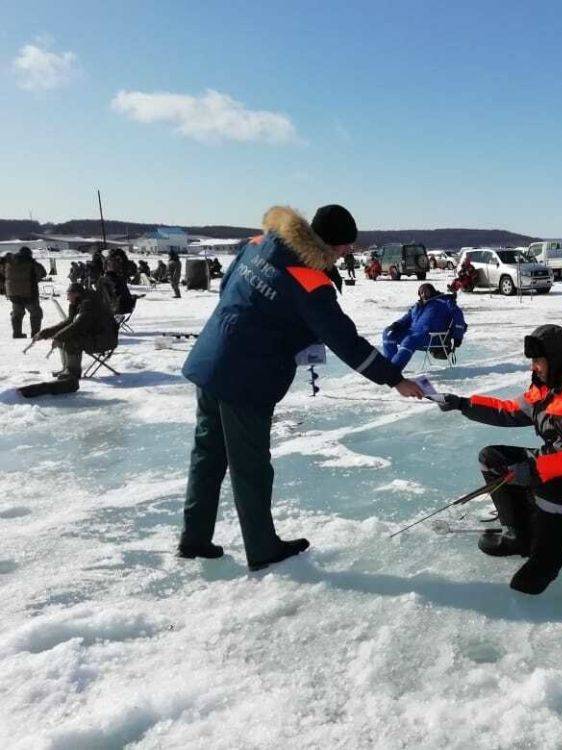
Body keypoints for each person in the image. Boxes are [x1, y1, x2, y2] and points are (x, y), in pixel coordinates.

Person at [179, 204, 424, 571]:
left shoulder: (261, 241)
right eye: (345, 247)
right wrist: (395, 379)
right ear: (329, 243)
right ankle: (262, 548)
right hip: (247, 379)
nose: (347, 254)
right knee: (251, 467)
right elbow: (344, 340)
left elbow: (229, 285)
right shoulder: (309, 280)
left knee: (207, 454)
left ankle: (194, 539)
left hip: (212, 359)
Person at [437, 324, 562, 595]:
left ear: (556, 359)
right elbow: (509, 411)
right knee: (492, 458)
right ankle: (518, 535)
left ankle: (547, 560)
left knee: (549, 485)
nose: (533, 367)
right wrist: (463, 404)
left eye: (538, 360)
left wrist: (535, 468)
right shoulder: (547, 386)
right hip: (559, 461)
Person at [34, 282, 118, 380]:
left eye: (69, 295)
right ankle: (66, 368)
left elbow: (78, 325)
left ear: (76, 294)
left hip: (104, 339)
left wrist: (58, 337)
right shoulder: (79, 302)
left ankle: (73, 373)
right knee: (64, 337)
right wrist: (45, 333)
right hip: (96, 335)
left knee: (71, 340)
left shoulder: (88, 303)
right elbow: (69, 322)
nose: (67, 298)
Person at [381, 283, 467, 369]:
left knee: (410, 339)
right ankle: (389, 366)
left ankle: (394, 370)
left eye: (425, 291)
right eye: (421, 292)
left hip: (432, 337)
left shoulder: (444, 302)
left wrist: (457, 337)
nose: (423, 294)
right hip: (414, 335)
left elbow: (458, 317)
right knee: (388, 333)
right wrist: (396, 324)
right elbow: (406, 318)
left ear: (432, 291)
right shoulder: (417, 306)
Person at [5, 246, 47, 339]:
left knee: (17, 313)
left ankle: (17, 333)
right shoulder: (31, 262)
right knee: (36, 313)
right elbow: (43, 272)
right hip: (29, 294)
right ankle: (35, 334)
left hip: (13, 294)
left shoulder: (10, 262)